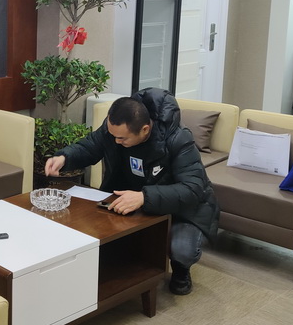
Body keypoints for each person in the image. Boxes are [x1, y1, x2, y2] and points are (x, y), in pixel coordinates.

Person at [45, 88, 219, 295]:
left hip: (182, 209)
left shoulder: (178, 139)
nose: (116, 141)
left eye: (122, 139)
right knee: (105, 242)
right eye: (113, 136)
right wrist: (65, 158)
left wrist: (144, 197)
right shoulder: (116, 128)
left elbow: (192, 189)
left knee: (182, 250)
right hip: (132, 198)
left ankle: (181, 270)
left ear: (145, 130)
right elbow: (91, 146)